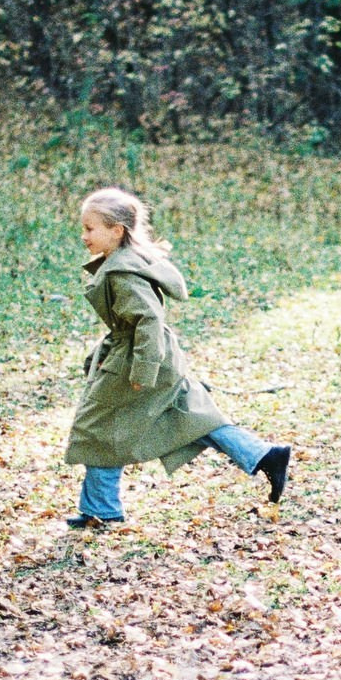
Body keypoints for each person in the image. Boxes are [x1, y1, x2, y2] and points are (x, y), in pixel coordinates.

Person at [62, 186, 291, 527]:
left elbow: (147, 320)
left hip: (143, 359)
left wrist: (143, 370)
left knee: (99, 426)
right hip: (153, 355)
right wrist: (104, 350)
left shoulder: (122, 272)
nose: (84, 236)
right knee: (191, 416)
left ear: (117, 230)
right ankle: (263, 456)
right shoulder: (125, 262)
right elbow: (130, 324)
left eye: (90, 228)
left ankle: (102, 510)